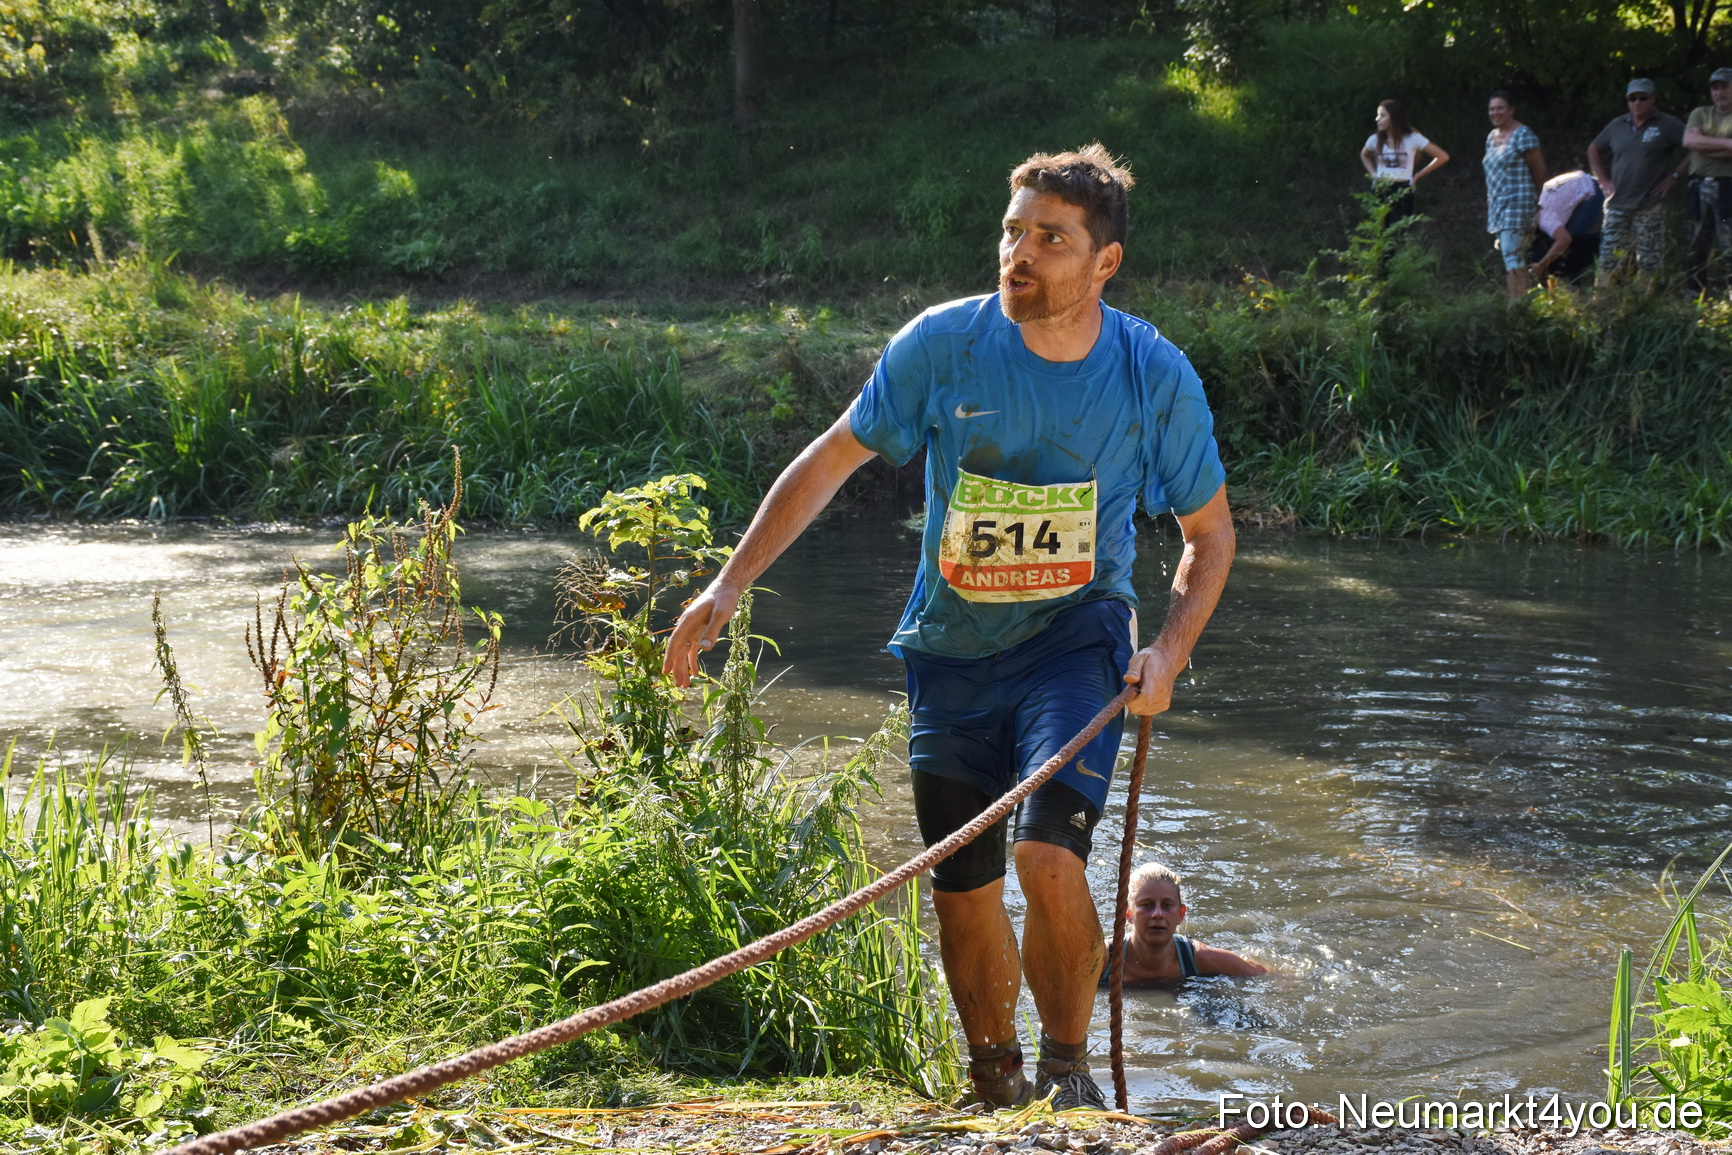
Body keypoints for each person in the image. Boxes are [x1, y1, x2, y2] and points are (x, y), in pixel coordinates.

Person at [662, 144, 1235, 1112]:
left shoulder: (1152, 374)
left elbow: (1210, 535)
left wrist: (1169, 651)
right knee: (962, 883)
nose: (1019, 253)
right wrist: (727, 584)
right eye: (1012, 231)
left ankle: (1067, 1077)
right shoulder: (941, 345)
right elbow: (830, 459)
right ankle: (993, 1081)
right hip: (951, 648)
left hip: (1077, 639)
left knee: (1046, 853)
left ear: (1104, 263)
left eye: (1050, 239)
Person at [1589, 78, 1687, 289]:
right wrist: (1603, 180)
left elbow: (1693, 148)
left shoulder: (1668, 124)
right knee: (1609, 258)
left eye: (1643, 98)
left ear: (1653, 99)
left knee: (1649, 260)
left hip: (1650, 205)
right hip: (1617, 204)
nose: (1637, 103)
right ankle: (1605, 300)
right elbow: (1594, 148)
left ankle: (1645, 303)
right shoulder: (1617, 125)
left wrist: (1674, 177)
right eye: (1632, 99)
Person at [1107, 863, 1268, 985]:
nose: (1157, 914)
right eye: (1146, 905)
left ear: (1181, 914)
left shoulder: (1200, 958)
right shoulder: (1104, 959)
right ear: (1128, 914)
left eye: (1167, 905)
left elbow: (1263, 975)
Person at [1483, 91, 1547, 303]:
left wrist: (1540, 202)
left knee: (1512, 255)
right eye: (1492, 109)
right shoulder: (1491, 137)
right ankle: (1524, 303)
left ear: (1511, 110)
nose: (1495, 112)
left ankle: (1516, 305)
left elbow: (1539, 171)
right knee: (1512, 255)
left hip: (1519, 203)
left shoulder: (1523, 134)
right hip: (1498, 206)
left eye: (1500, 108)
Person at [1359, 99, 1449, 226]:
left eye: (1382, 116)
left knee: (1399, 230)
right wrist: (1373, 174)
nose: (1377, 119)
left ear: (1394, 118)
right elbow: (1365, 155)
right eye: (1378, 115)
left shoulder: (1413, 138)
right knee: (1380, 230)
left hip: (1402, 190)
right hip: (1381, 189)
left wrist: (1418, 175)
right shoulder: (1375, 140)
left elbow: (1442, 156)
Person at [1682, 66, 1732, 297]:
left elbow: (1698, 144)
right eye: (1715, 88)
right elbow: (1689, 142)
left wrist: (1704, 145)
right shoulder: (1700, 113)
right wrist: (1727, 143)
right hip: (1698, 187)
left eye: (1724, 87)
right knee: (1696, 246)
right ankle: (1694, 296)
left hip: (1728, 188)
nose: (1719, 93)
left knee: (1729, 245)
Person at [1528, 167, 1604, 283]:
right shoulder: (1539, 206)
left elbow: (1565, 240)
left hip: (1589, 189)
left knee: (1575, 242)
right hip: (1580, 182)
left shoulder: (1545, 219)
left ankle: (1576, 283)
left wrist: (1541, 265)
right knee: (1568, 239)